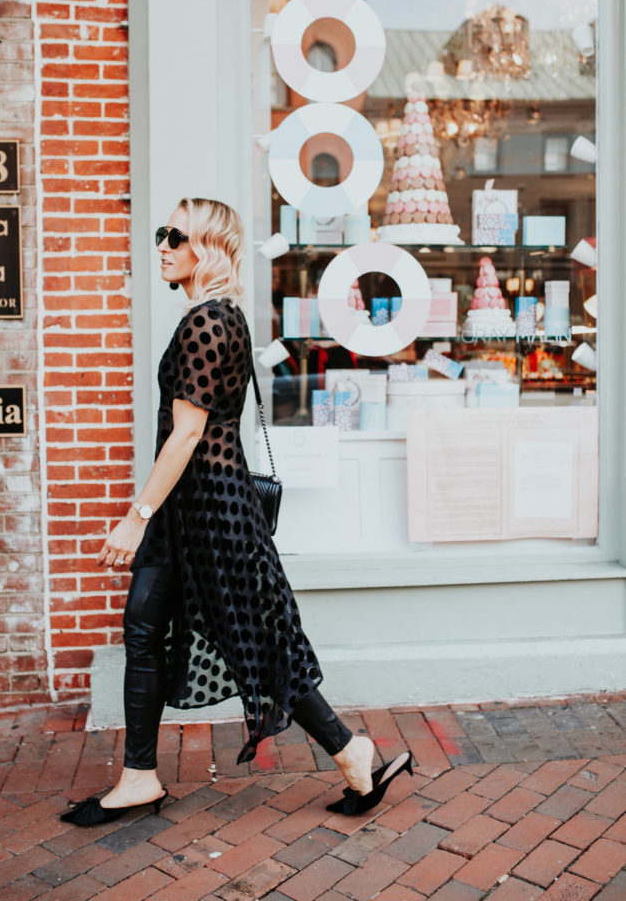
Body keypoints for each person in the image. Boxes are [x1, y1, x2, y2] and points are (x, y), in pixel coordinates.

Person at [61, 198, 413, 826]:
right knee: (144, 630)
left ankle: (352, 751)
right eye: (161, 232)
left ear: (208, 247)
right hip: (187, 511)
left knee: (258, 642)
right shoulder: (214, 317)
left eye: (176, 235)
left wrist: (135, 515)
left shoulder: (207, 323)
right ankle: (139, 776)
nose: (162, 244)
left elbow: (188, 434)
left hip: (213, 514)